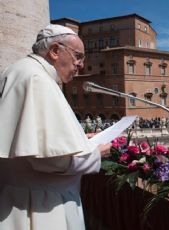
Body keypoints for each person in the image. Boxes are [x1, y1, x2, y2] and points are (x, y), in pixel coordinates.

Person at [0, 24, 111, 230]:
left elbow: (39, 140)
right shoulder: (37, 79)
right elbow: (49, 159)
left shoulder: (19, 70)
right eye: (78, 56)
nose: (81, 65)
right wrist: (95, 154)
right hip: (42, 208)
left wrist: (80, 140)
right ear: (54, 51)